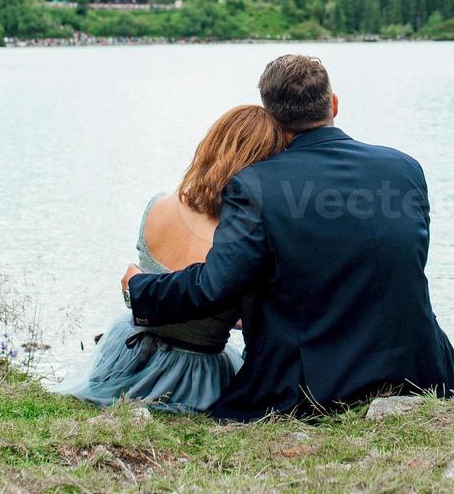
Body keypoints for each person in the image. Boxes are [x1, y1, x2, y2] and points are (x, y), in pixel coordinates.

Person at [123, 54, 454, 421]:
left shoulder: (255, 185)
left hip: (315, 389)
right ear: (333, 103)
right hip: (422, 371)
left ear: (270, 119)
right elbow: (389, 266)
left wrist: (143, 287)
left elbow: (213, 286)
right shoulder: (405, 169)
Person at [58, 105, 286, 412]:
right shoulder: (246, 240)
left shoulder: (159, 205)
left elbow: (140, 290)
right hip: (195, 373)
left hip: (128, 354)